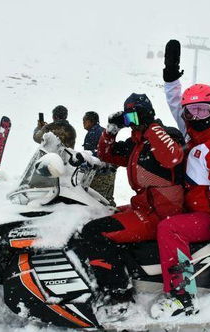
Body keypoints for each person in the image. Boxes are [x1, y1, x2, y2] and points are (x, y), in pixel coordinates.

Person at [150, 40, 210, 319]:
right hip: (194, 206)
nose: (196, 115)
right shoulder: (192, 128)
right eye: (192, 110)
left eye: (203, 110)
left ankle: (183, 296)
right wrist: (171, 75)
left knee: (169, 229)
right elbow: (176, 102)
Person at [77, 93, 185, 320]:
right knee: (98, 216)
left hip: (161, 213)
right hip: (144, 207)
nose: (130, 122)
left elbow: (173, 157)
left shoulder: (166, 136)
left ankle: (119, 296)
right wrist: (110, 131)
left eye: (133, 116)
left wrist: (150, 126)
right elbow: (107, 155)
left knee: (95, 233)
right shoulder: (137, 144)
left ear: (145, 115)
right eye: (127, 118)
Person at [82, 111, 116, 206]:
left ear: (91, 121)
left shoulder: (92, 133)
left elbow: (92, 156)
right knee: (108, 199)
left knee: (98, 201)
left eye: (85, 120)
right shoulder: (104, 131)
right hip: (111, 171)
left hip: (101, 174)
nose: (83, 123)